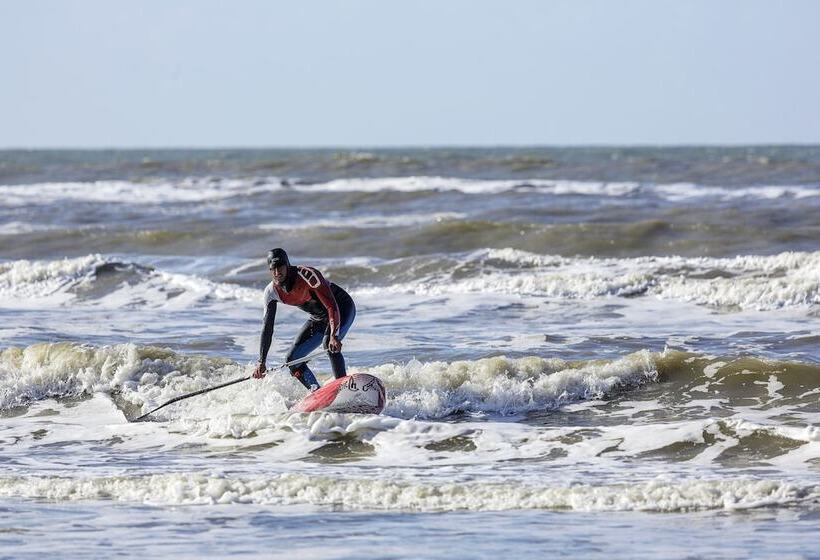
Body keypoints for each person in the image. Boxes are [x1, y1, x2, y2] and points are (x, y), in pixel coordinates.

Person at [253, 248, 356, 391]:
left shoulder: (308, 275)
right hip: (319, 318)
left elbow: (331, 306)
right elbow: (267, 328)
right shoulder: (271, 292)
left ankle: (344, 388)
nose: (277, 273)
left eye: (280, 267)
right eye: (273, 269)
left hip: (342, 308)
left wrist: (333, 336)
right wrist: (261, 361)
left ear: (287, 265)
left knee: (329, 344)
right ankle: (318, 393)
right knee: (292, 360)